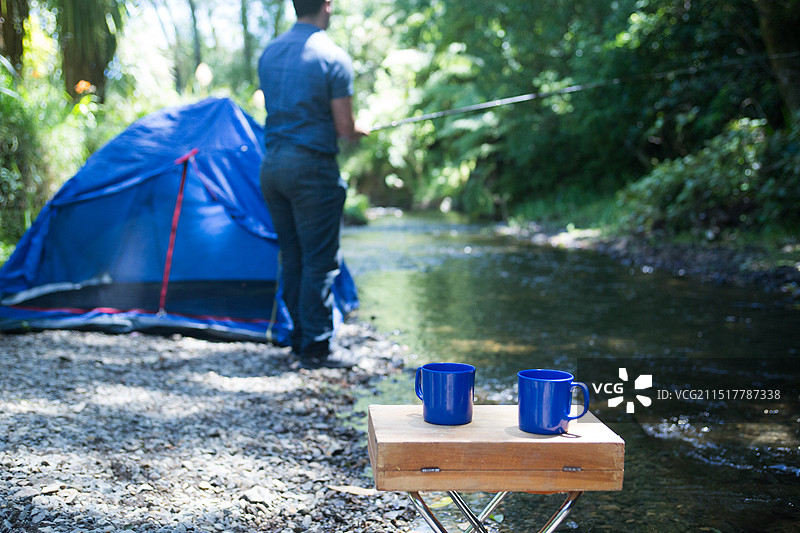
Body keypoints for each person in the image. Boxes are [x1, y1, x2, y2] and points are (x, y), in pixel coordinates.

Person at [258, 0, 369, 369]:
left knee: (292, 256)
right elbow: (344, 128)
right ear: (327, 5)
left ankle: (299, 340)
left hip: (272, 167)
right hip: (312, 170)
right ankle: (317, 348)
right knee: (319, 261)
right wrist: (357, 130)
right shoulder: (332, 56)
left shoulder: (269, 52)